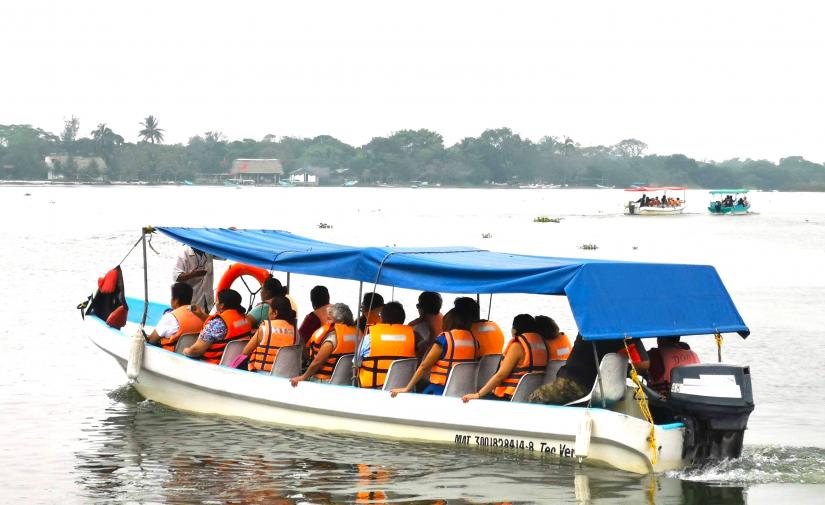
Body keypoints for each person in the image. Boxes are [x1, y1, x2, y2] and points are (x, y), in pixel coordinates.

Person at [528, 334, 649, 405]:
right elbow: (644, 364)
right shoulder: (625, 334)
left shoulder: (589, 328)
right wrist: (625, 369)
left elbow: (645, 364)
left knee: (534, 398)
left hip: (575, 384)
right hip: (604, 390)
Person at [391, 308, 478, 397]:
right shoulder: (474, 340)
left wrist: (407, 388)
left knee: (420, 385)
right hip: (463, 389)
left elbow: (424, 367)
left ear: (448, 322)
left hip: (440, 389)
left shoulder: (444, 340)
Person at [462, 314, 548, 402]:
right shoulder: (542, 346)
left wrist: (478, 394)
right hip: (529, 396)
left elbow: (501, 375)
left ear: (515, 330)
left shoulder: (518, 347)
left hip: (511, 396)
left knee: (475, 400)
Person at [291, 303, 358, 385]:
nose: (326, 322)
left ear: (340, 321)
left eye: (329, 319)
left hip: (325, 381)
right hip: (347, 380)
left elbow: (317, 362)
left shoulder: (332, 338)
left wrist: (303, 377)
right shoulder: (357, 335)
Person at [184, 289, 252, 364]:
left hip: (212, 365)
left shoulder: (217, 324)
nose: (215, 303)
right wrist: (201, 315)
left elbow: (196, 351)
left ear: (222, 305)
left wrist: (186, 351)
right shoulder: (245, 320)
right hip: (234, 364)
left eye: (217, 301)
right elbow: (226, 325)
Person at [357, 301, 415, 389]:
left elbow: (356, 363)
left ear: (382, 318)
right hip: (401, 388)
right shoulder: (413, 338)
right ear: (403, 319)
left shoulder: (369, 338)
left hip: (373, 388)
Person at [242, 296, 297, 373]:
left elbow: (245, 352)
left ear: (275, 313)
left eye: (269, 309)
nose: (268, 312)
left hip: (264, 374)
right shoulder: (295, 331)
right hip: (286, 374)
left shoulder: (265, 328)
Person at [147, 282, 207, 351]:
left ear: (176, 300)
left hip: (172, 356)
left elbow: (151, 340)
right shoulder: (201, 314)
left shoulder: (170, 317)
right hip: (192, 354)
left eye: (172, 297)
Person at [173, 246, 217, 311]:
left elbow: (224, 255)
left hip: (207, 299)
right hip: (191, 300)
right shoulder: (183, 254)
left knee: (206, 317)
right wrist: (193, 274)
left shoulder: (209, 250)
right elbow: (176, 277)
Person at [407, 291, 444, 360]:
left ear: (421, 308)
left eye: (418, 305)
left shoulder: (416, 327)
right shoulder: (445, 321)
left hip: (425, 364)